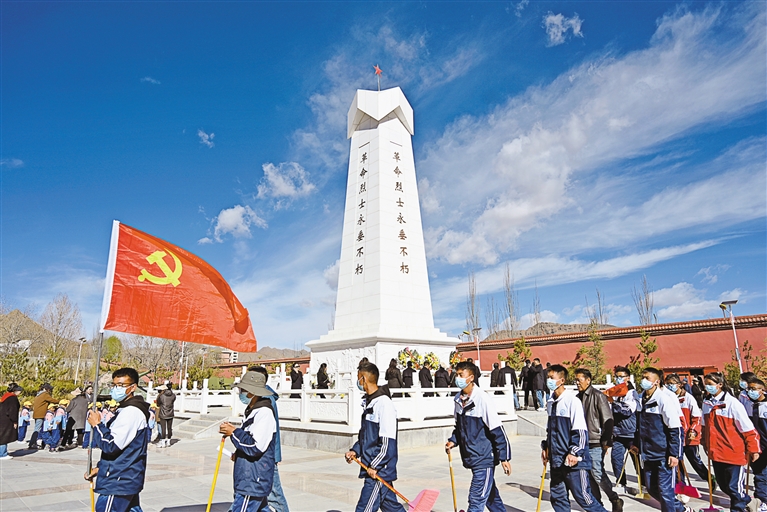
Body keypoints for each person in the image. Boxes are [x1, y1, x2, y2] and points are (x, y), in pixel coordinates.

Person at [446, 361, 512, 512]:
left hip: (484, 457)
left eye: (461, 375)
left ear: (471, 378)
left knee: (476, 499)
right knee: (491, 497)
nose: (457, 378)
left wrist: (504, 457)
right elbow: (460, 428)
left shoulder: (482, 399)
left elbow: (497, 429)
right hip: (471, 456)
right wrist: (453, 441)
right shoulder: (458, 399)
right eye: (457, 375)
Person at [541, 364, 606, 512]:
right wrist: (546, 447)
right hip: (557, 460)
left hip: (574, 461)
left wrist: (574, 452)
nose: (548, 380)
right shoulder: (551, 402)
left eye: (551, 378)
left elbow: (581, 432)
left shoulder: (572, 401)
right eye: (548, 377)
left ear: (562, 380)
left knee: (584, 498)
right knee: (558, 497)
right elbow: (550, 430)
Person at [85, 367, 150, 512]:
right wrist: (100, 468)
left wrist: (97, 425)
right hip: (124, 476)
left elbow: (111, 445)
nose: (116, 389)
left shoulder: (131, 412)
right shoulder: (125, 410)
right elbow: (124, 447)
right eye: (114, 385)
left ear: (133, 387)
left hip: (119, 480)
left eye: (121, 385)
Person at [345, 362, 404, 512]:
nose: (358, 382)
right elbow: (365, 436)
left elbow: (387, 443)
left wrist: (375, 465)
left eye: (358, 378)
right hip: (372, 467)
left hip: (379, 470)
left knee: (364, 509)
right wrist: (355, 450)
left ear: (363, 379)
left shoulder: (384, 404)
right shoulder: (369, 402)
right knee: (391, 507)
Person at [631, 367, 690, 512]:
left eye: (647, 378)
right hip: (648, 454)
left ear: (656, 382)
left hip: (664, 454)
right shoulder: (640, 399)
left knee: (665, 491)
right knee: (652, 489)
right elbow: (639, 426)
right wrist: (636, 444)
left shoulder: (663, 399)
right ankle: (682, 510)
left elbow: (675, 429)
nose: (643, 380)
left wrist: (675, 454)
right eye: (642, 377)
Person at [219, 371, 277, 512]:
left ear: (252, 393)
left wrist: (234, 432)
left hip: (253, 480)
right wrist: (239, 454)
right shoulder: (252, 411)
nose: (241, 393)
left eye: (243, 390)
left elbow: (255, 446)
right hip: (249, 476)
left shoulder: (264, 413)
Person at [702, 372, 760, 512]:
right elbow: (704, 427)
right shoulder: (706, 403)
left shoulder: (732, 404)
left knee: (734, 487)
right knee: (724, 486)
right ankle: (749, 501)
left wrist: (753, 449)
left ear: (720, 385)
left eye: (710, 384)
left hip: (734, 453)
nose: (707, 387)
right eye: (706, 384)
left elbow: (748, 429)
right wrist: (705, 443)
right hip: (716, 453)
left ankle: (738, 509)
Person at [574, 369, 623, 512]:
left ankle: (614, 498)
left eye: (579, 380)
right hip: (582, 442)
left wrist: (606, 441)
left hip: (596, 441)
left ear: (588, 380)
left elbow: (608, 419)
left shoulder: (598, 396)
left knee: (597, 472)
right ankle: (597, 505)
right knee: (588, 475)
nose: (577, 383)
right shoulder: (576, 398)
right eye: (576, 380)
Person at [249, 366, 290, 512]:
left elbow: (264, 434)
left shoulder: (266, 401)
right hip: (260, 456)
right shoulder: (257, 399)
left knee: (275, 496)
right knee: (260, 495)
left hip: (266, 457)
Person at [664, 374, 712, 489]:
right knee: (678, 461)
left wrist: (693, 430)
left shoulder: (688, 398)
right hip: (676, 437)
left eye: (672, 384)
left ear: (679, 384)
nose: (670, 386)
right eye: (667, 384)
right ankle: (681, 484)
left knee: (695, 460)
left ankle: (709, 478)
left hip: (689, 436)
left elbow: (697, 417)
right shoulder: (667, 398)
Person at [608, 366, 640, 494]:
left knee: (637, 461)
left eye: (621, 377)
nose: (618, 379)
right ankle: (621, 482)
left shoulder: (631, 393)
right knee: (616, 458)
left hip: (631, 433)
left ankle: (644, 483)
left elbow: (627, 410)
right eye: (616, 377)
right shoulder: (615, 392)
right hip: (618, 433)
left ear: (627, 378)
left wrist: (613, 403)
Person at [747, 378, 767, 512]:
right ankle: (762, 500)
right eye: (749, 389)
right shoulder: (749, 405)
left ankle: (762, 500)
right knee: (760, 475)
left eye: (754, 389)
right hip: (757, 446)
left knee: (762, 475)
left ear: (762, 390)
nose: (750, 391)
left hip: (765, 445)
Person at [29, 383, 58, 449]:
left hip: (36, 414)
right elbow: (52, 400)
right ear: (46, 389)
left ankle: (38, 443)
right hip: (40, 414)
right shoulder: (44, 394)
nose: (49, 390)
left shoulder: (38, 394)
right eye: (49, 389)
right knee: (37, 429)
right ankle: (32, 443)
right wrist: (60, 401)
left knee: (39, 429)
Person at [0, 383, 23, 460]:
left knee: (2, 436)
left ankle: (2, 452)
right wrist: (15, 421)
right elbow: (12, 411)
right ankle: (2, 454)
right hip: (7, 420)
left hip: (2, 418)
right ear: (15, 390)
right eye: (19, 391)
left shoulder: (5, 397)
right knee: (4, 437)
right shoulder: (13, 398)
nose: (20, 392)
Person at [156, 383, 176, 448]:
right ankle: (169, 441)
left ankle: (163, 443)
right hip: (170, 413)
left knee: (163, 428)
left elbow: (158, 403)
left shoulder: (161, 396)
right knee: (169, 428)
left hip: (163, 413)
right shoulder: (173, 395)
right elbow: (172, 401)